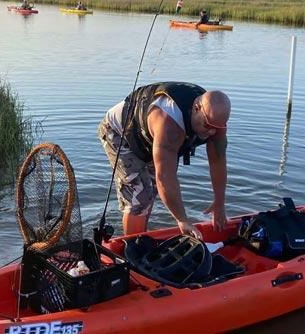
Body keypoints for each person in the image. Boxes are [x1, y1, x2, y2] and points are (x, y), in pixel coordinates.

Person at [98, 82, 231, 239]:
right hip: (119, 133)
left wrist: (219, 202)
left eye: (218, 128)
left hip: (150, 140)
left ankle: (142, 235)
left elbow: (217, 162)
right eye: (207, 125)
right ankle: (133, 246)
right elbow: (165, 178)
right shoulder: (169, 124)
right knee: (140, 195)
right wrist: (182, 220)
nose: (212, 132)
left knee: (151, 190)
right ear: (196, 109)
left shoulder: (214, 121)